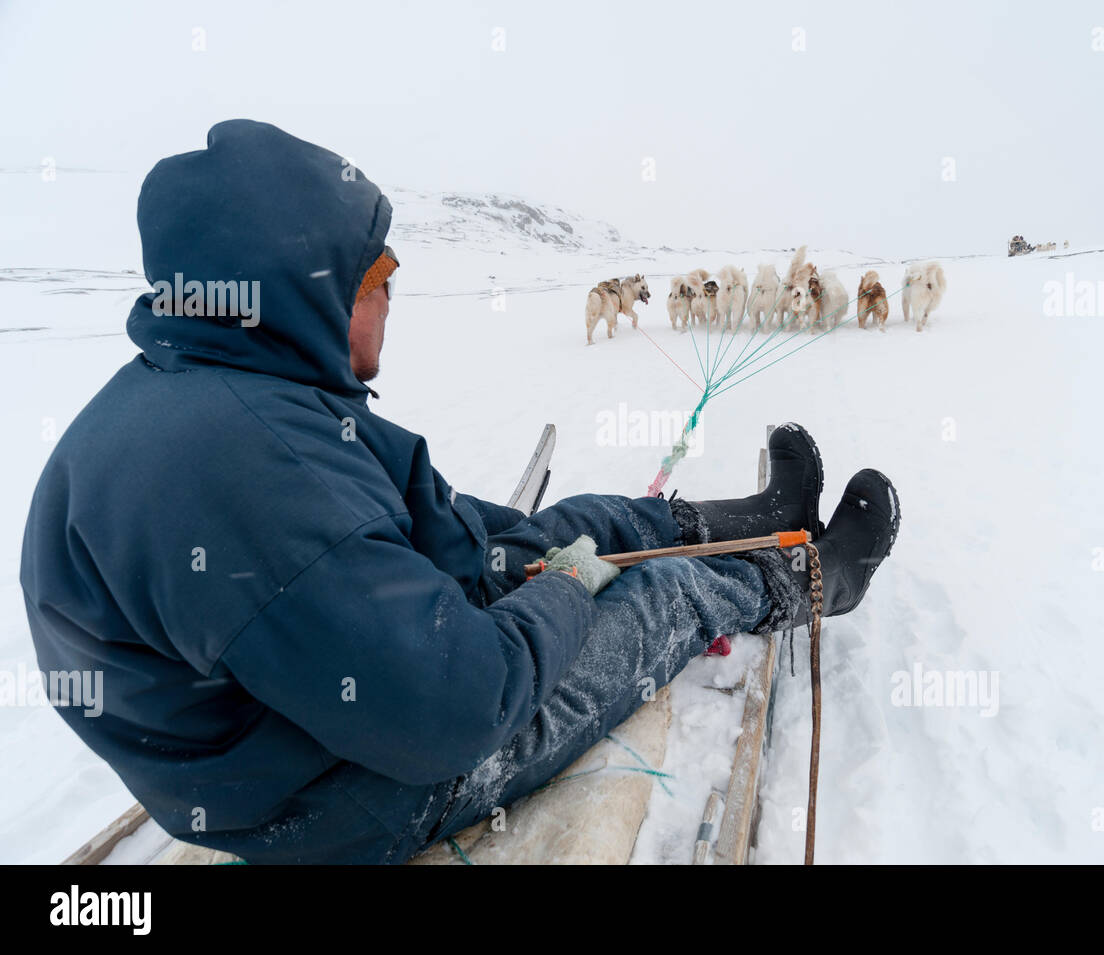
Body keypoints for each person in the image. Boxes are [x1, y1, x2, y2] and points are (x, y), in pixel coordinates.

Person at [20, 120, 900, 864]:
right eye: (376, 277)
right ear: (303, 287)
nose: (395, 296)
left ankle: (748, 522)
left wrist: (534, 548)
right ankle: (807, 579)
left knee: (580, 523)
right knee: (646, 598)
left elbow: (402, 518)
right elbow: (454, 705)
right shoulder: (245, 474)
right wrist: (561, 586)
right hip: (342, 788)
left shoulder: (222, 386)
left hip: (307, 696)